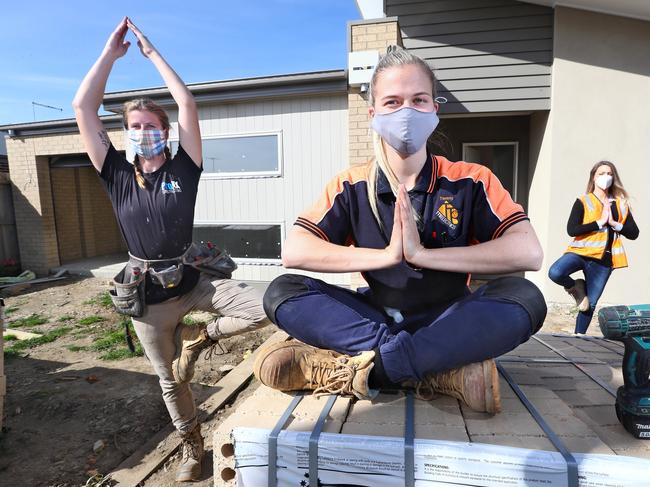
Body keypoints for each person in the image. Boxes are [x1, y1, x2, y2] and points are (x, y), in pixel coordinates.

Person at [253, 46, 547, 414]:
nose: (406, 111)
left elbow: (528, 252)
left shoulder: (471, 179)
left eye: (419, 100)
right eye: (392, 102)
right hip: (376, 317)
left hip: (450, 319)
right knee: (283, 291)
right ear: (373, 113)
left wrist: (423, 255)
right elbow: (295, 250)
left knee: (526, 298)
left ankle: (364, 371)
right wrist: (386, 256)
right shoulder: (352, 183)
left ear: (434, 109)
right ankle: (436, 371)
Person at [72, 18, 270, 482]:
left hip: (193, 282)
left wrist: (152, 54)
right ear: (125, 132)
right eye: (135, 125)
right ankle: (191, 448)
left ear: (164, 129)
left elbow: (186, 102)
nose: (143, 131)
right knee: (172, 381)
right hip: (147, 299)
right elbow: (83, 107)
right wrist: (109, 56)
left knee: (266, 307)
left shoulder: (185, 165)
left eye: (151, 124)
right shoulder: (115, 171)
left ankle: (201, 338)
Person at [548, 161, 639, 334]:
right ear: (593, 177)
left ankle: (578, 336)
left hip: (603, 262)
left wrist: (614, 224)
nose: (606, 177)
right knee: (555, 272)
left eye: (610, 174)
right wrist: (598, 223)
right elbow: (571, 229)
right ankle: (575, 287)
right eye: (601, 173)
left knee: (590, 304)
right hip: (580, 253)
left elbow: (634, 233)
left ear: (614, 178)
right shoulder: (583, 201)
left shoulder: (620, 204)